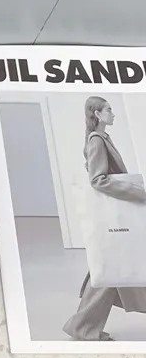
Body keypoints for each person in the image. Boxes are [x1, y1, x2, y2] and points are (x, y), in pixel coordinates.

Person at [63, 96, 146, 340]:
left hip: (118, 220)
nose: (113, 113)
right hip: (117, 218)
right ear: (97, 114)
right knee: (109, 271)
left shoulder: (102, 138)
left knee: (109, 270)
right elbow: (98, 180)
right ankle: (81, 326)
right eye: (109, 109)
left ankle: (82, 326)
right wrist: (139, 192)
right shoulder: (97, 141)